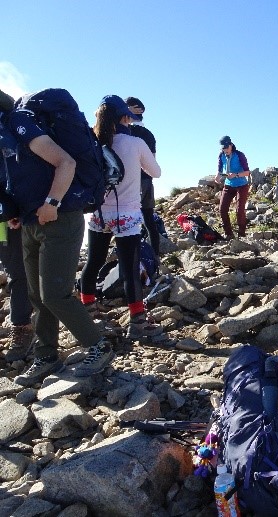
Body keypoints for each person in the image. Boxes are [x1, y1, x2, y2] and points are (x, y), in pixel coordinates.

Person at [7, 91, 114, 385]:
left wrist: (52, 202)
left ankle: (98, 346)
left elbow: (66, 163)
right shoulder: (8, 132)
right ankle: (46, 356)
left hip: (59, 218)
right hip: (31, 220)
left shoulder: (19, 123)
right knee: (37, 295)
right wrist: (19, 211)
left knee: (55, 294)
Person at [79, 95, 163, 342]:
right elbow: (156, 172)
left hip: (98, 213)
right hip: (127, 214)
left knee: (93, 261)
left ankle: (88, 310)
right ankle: (137, 322)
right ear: (125, 117)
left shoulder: (93, 142)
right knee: (129, 266)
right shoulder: (135, 143)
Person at [0, 90, 34, 362]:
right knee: (15, 270)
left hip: (7, 217)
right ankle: (22, 326)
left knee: (16, 270)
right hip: (8, 217)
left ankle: (22, 327)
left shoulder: (7, 134)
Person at [125, 97, 160, 259]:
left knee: (129, 223)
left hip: (130, 183)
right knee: (148, 220)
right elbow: (152, 161)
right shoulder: (148, 134)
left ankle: (133, 261)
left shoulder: (126, 132)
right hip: (146, 180)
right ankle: (154, 259)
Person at [215, 136, 251, 239]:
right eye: (223, 148)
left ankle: (242, 234)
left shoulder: (239, 155)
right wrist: (218, 176)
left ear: (231, 145)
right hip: (228, 185)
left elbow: (247, 172)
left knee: (239, 210)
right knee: (222, 209)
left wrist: (236, 174)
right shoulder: (221, 155)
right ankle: (228, 234)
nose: (225, 150)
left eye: (227, 147)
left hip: (241, 185)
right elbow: (220, 169)